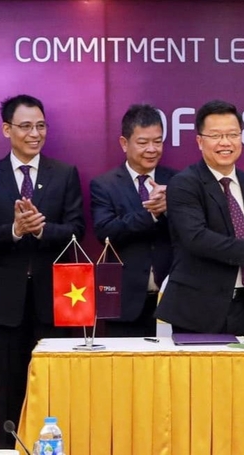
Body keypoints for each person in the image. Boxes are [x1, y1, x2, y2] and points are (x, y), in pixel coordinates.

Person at [0, 94, 85, 448]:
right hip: (8, 303)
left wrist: (42, 229)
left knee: (54, 386)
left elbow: (78, 230)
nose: (35, 134)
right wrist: (16, 230)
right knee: (10, 385)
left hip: (56, 301)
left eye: (41, 126)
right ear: (7, 129)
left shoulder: (64, 174)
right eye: (26, 126)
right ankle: (8, 448)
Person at [154, 100, 244, 335]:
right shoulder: (184, 184)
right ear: (200, 142)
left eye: (232, 134)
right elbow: (196, 238)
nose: (225, 142)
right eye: (215, 136)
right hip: (198, 312)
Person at [90, 104, 177, 337]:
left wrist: (171, 209)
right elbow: (105, 232)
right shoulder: (104, 185)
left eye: (157, 141)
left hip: (172, 301)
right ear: (124, 143)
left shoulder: (178, 181)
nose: (152, 149)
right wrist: (151, 214)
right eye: (143, 142)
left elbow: (191, 232)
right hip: (124, 303)